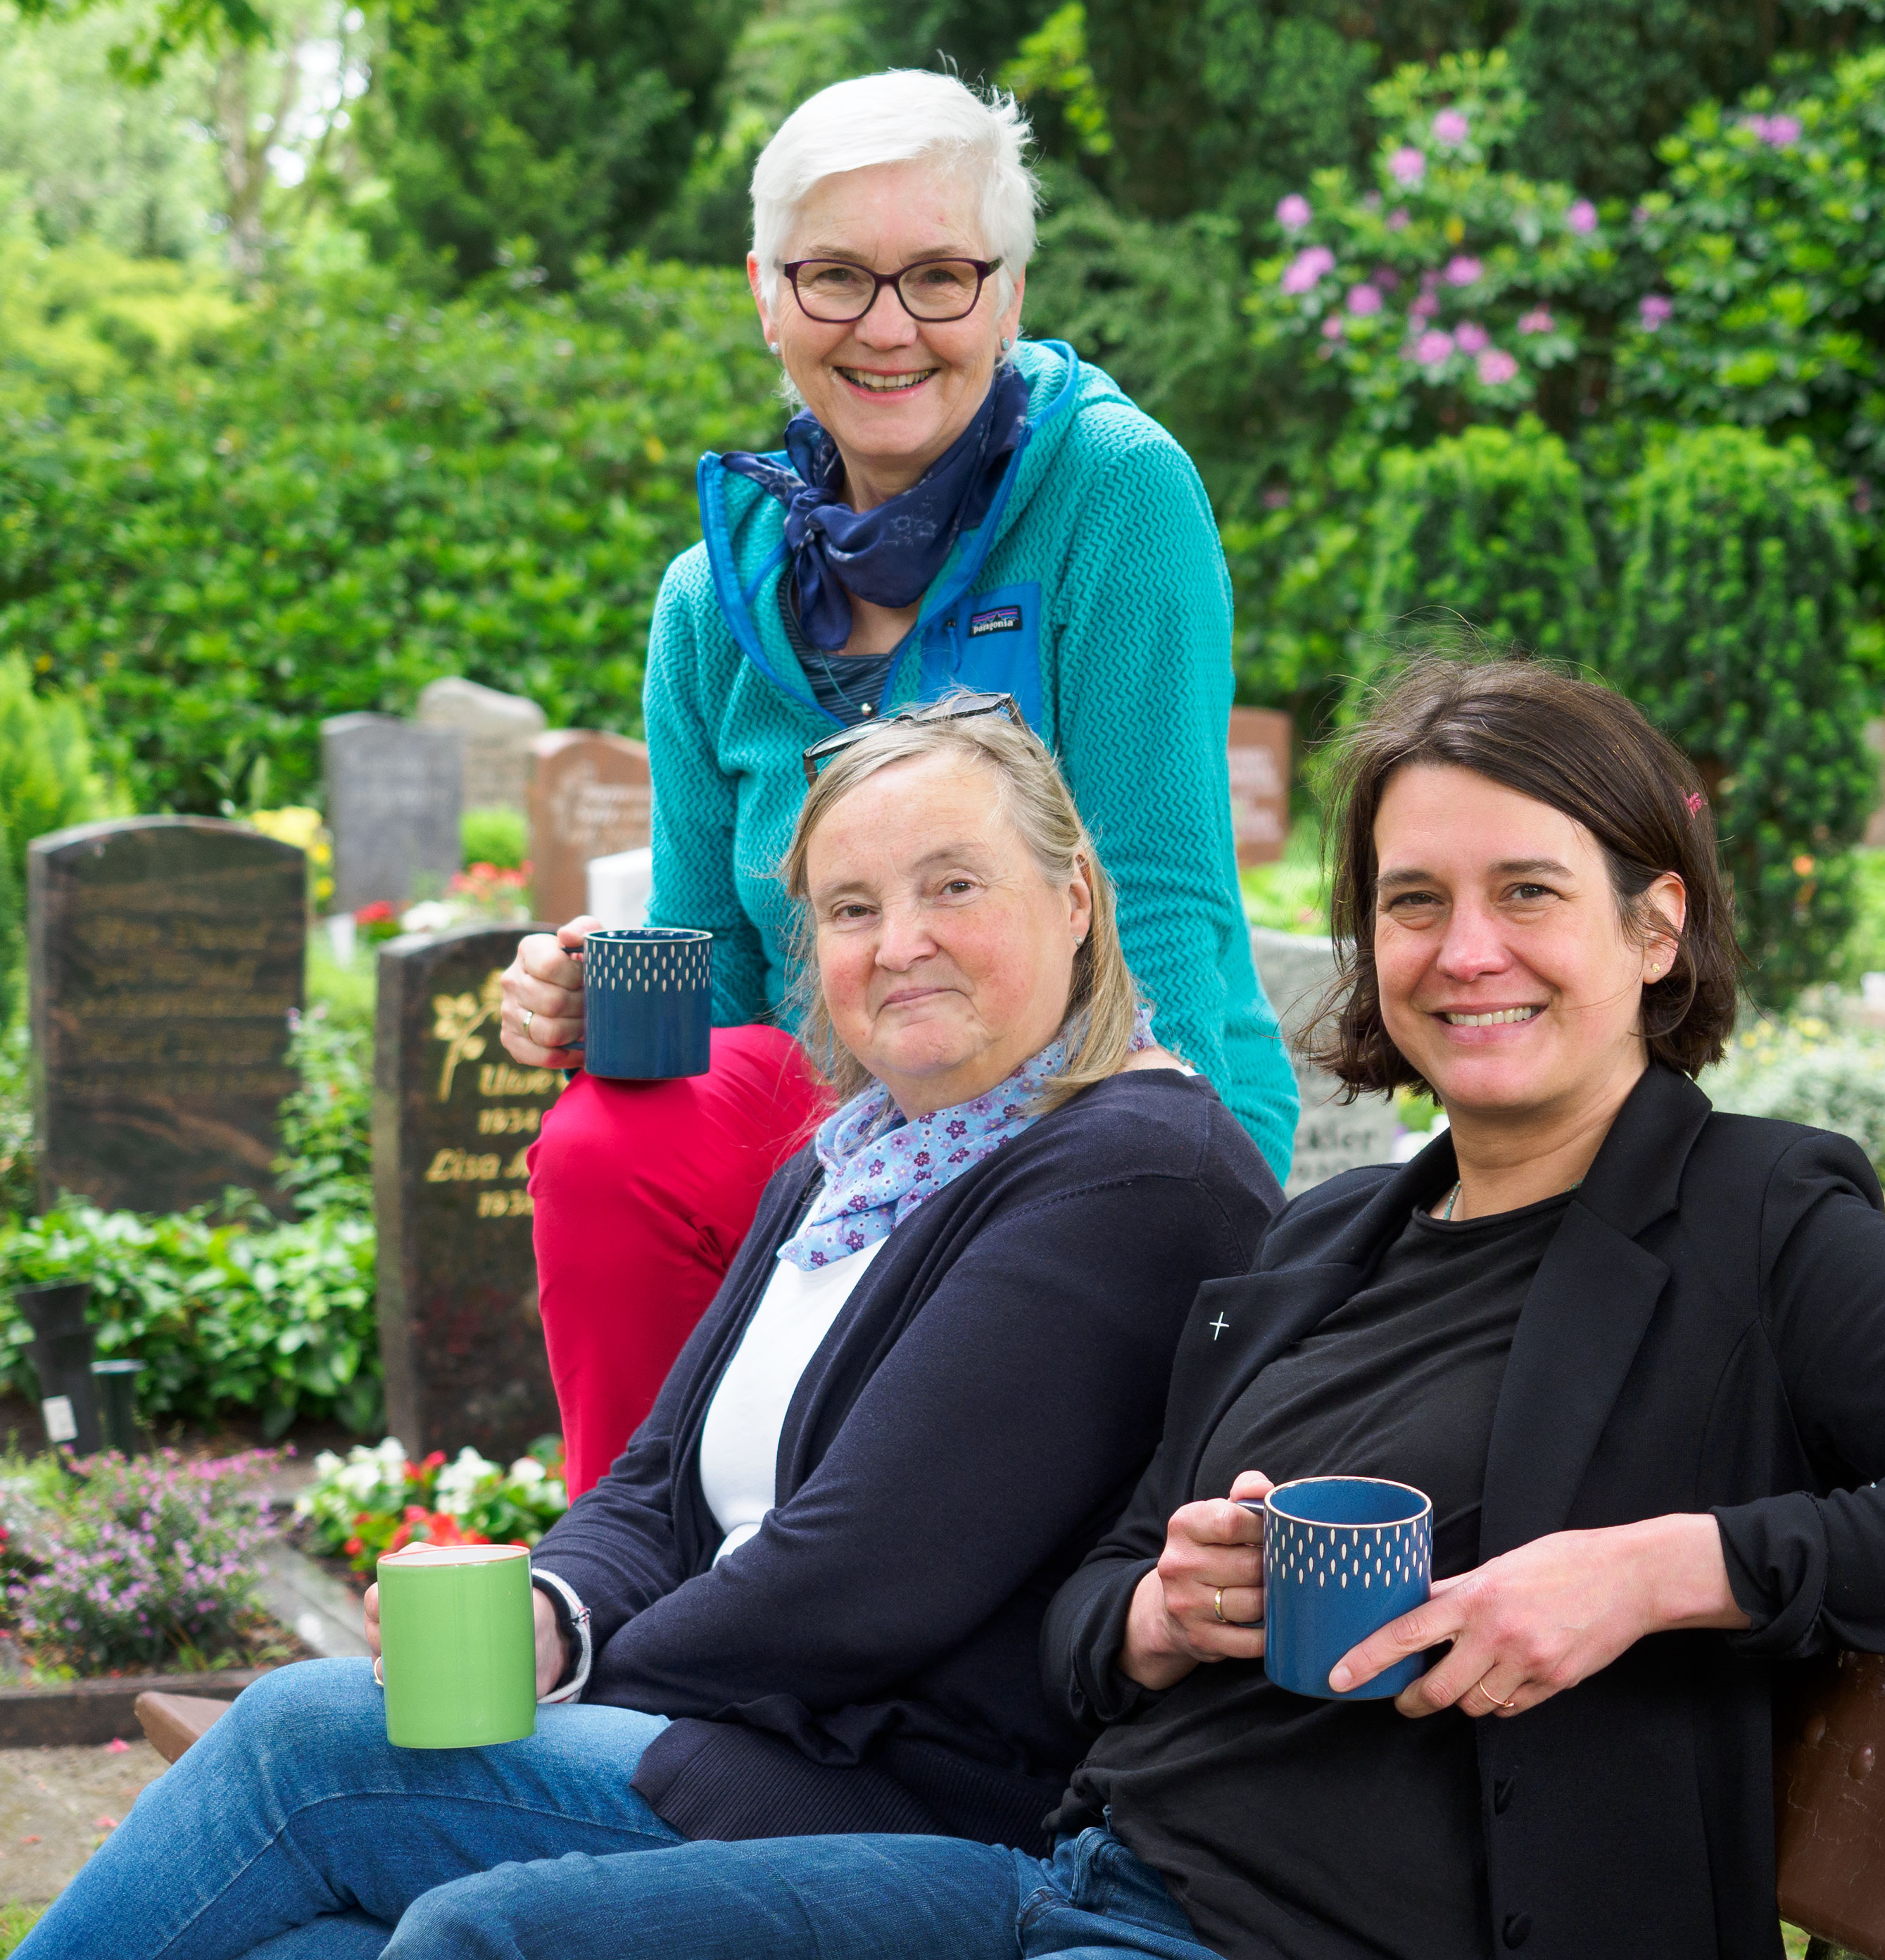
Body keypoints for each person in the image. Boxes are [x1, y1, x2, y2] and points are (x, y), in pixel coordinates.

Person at [384, 655, 1885, 1960]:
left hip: (1336, 1929)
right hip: (1074, 1881)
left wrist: (1649, 1569)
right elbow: (1087, 1613)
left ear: (1653, 926)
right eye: (1413, 903)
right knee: (468, 1939)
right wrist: (1162, 1606)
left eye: (1525, 893)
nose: (1462, 949)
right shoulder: (1323, 1249)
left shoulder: (1750, 1216)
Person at [18, 698, 1285, 1960]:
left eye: (953, 885)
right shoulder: (851, 1163)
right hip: (734, 1739)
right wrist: (551, 1612)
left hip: (901, 1802)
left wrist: (565, 1687)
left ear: (1075, 901)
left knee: (306, 1745)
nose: (900, 944)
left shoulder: (1133, 1167)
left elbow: (860, 1581)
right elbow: (658, 1482)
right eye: (850, 909)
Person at [504, 68, 1297, 1497]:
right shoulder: (710, 599)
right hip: (838, 1139)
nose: (887, 327)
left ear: (1005, 294)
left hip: (1079, 1122)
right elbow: (720, 992)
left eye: (938, 276)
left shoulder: (1112, 494)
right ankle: (625, 1556)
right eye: (835, 276)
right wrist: (588, 1009)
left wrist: (1197, 1199)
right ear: (763, 292)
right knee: (607, 1133)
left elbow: (1163, 901)